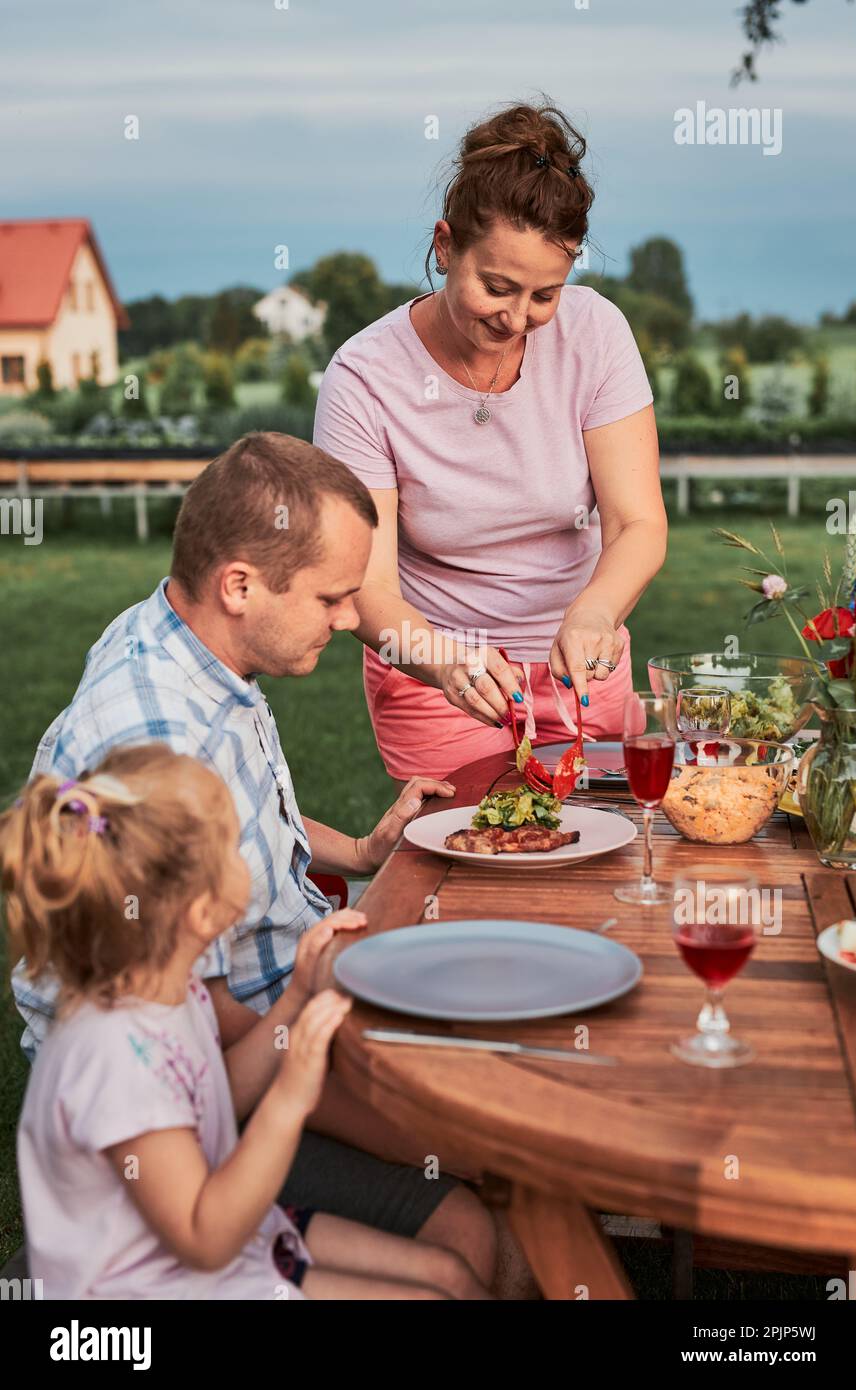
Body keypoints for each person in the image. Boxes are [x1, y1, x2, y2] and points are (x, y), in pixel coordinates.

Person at [10, 430, 530, 1296]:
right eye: (332, 598)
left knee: (482, 1070)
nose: (350, 619)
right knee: (478, 1168)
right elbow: (199, 1019)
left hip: (255, 1018)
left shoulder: (190, 642)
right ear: (240, 585)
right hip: (192, 1086)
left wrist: (364, 852)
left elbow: (255, 822)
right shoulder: (159, 743)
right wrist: (385, 1090)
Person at [1, 745, 491, 1299]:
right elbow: (204, 1237)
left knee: (450, 1278)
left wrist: (298, 995)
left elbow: (218, 1097)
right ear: (200, 909)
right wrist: (292, 1096)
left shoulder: (164, 987)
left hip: (223, 1239)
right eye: (232, 845)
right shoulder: (114, 1060)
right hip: (162, 1283)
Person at [313, 99, 668, 789]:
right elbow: (369, 585)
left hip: (584, 669)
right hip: (440, 678)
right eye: (497, 287)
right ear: (445, 247)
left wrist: (593, 614)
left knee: (597, 869)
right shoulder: (363, 377)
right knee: (474, 868)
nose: (517, 319)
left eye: (544, 296)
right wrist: (446, 661)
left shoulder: (597, 334)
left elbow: (638, 524)